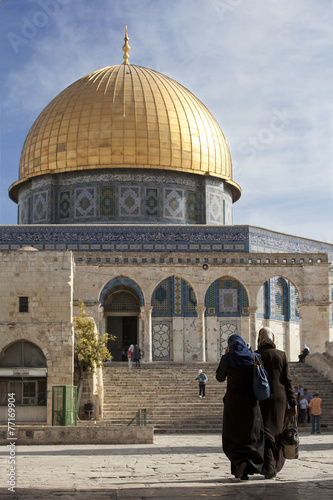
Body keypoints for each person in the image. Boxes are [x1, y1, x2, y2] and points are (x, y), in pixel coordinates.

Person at [216, 334, 264, 481]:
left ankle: (239, 463)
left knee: (233, 434)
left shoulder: (228, 358)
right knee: (250, 434)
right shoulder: (254, 357)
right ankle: (249, 464)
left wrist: (225, 358)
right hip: (250, 401)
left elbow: (219, 377)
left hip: (233, 401)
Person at [255, 327, 297, 479]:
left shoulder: (256, 355)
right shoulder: (281, 355)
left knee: (265, 432)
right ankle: (275, 465)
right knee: (279, 431)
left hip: (262, 397)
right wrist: (293, 401)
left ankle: (269, 465)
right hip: (280, 398)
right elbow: (287, 380)